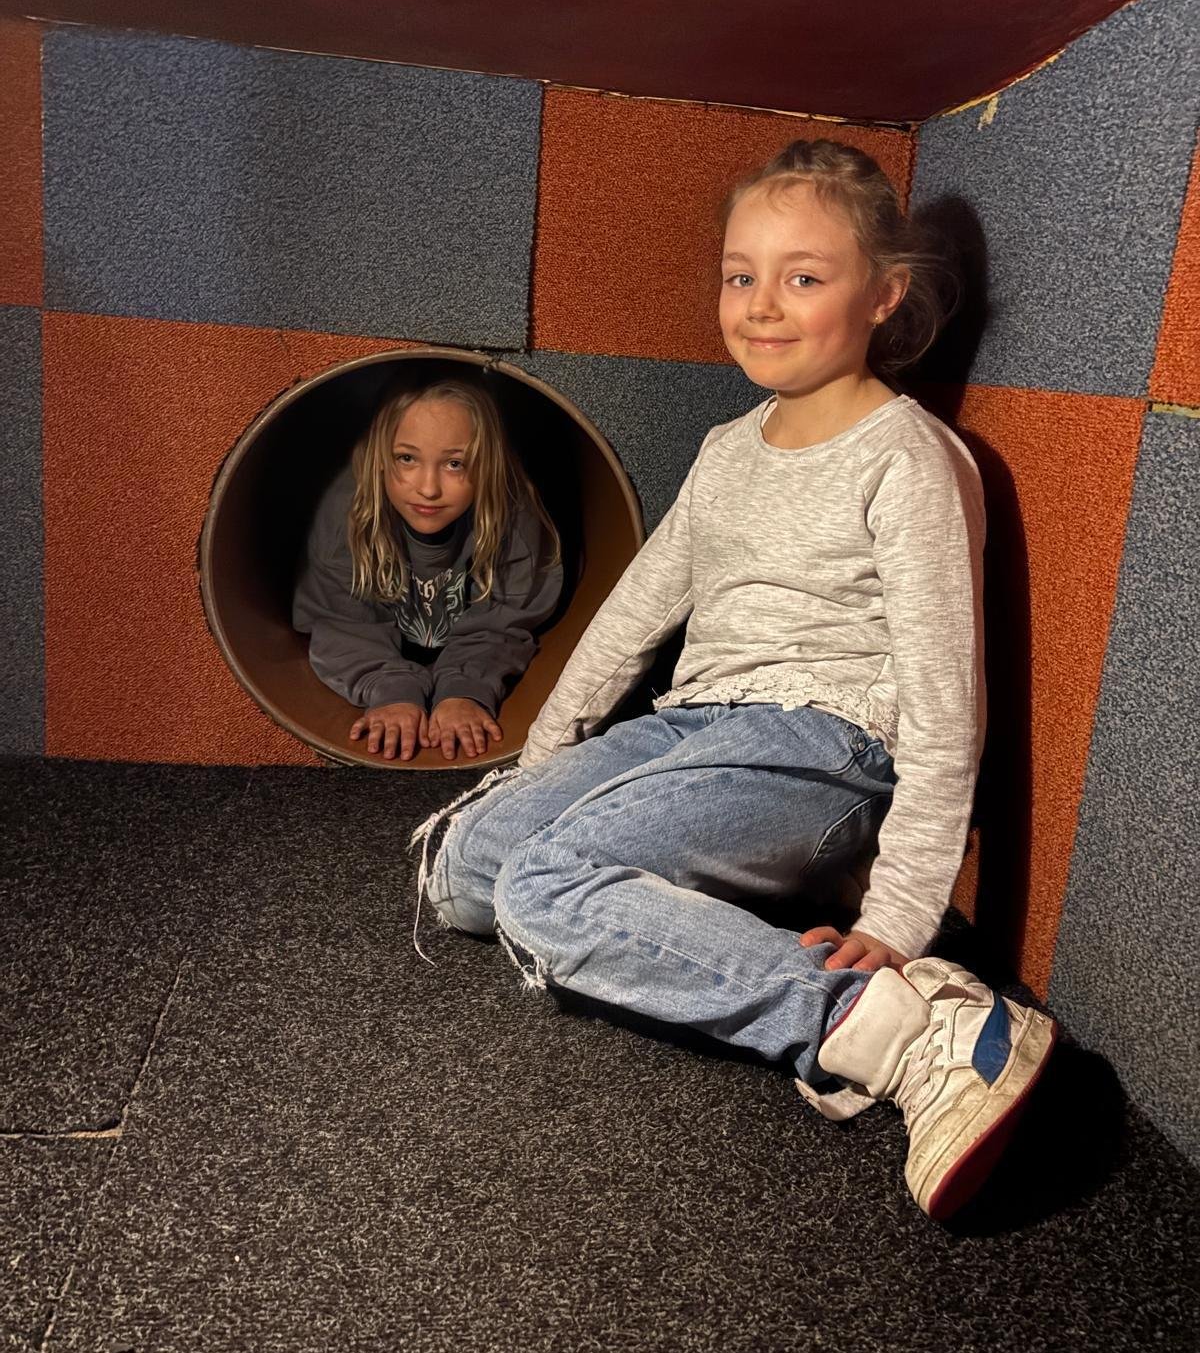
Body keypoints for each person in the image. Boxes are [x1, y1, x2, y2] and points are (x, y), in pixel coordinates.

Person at [412, 140, 1056, 1219]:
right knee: (468, 869)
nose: (760, 304)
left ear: (884, 296)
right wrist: (548, 764)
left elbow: (949, 704)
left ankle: (898, 1028)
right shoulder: (726, 447)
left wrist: (902, 915)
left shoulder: (908, 459)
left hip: (825, 743)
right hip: (693, 725)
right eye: (739, 274)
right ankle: (752, 895)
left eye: (803, 277)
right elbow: (635, 615)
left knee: (546, 889)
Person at [293, 376, 563, 762]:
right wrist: (391, 690)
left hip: (468, 650)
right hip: (379, 648)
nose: (429, 488)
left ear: (488, 464)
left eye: (455, 463)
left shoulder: (511, 516)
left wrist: (464, 690)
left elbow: (504, 621)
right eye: (407, 458)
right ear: (379, 456)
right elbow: (341, 621)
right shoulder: (348, 516)